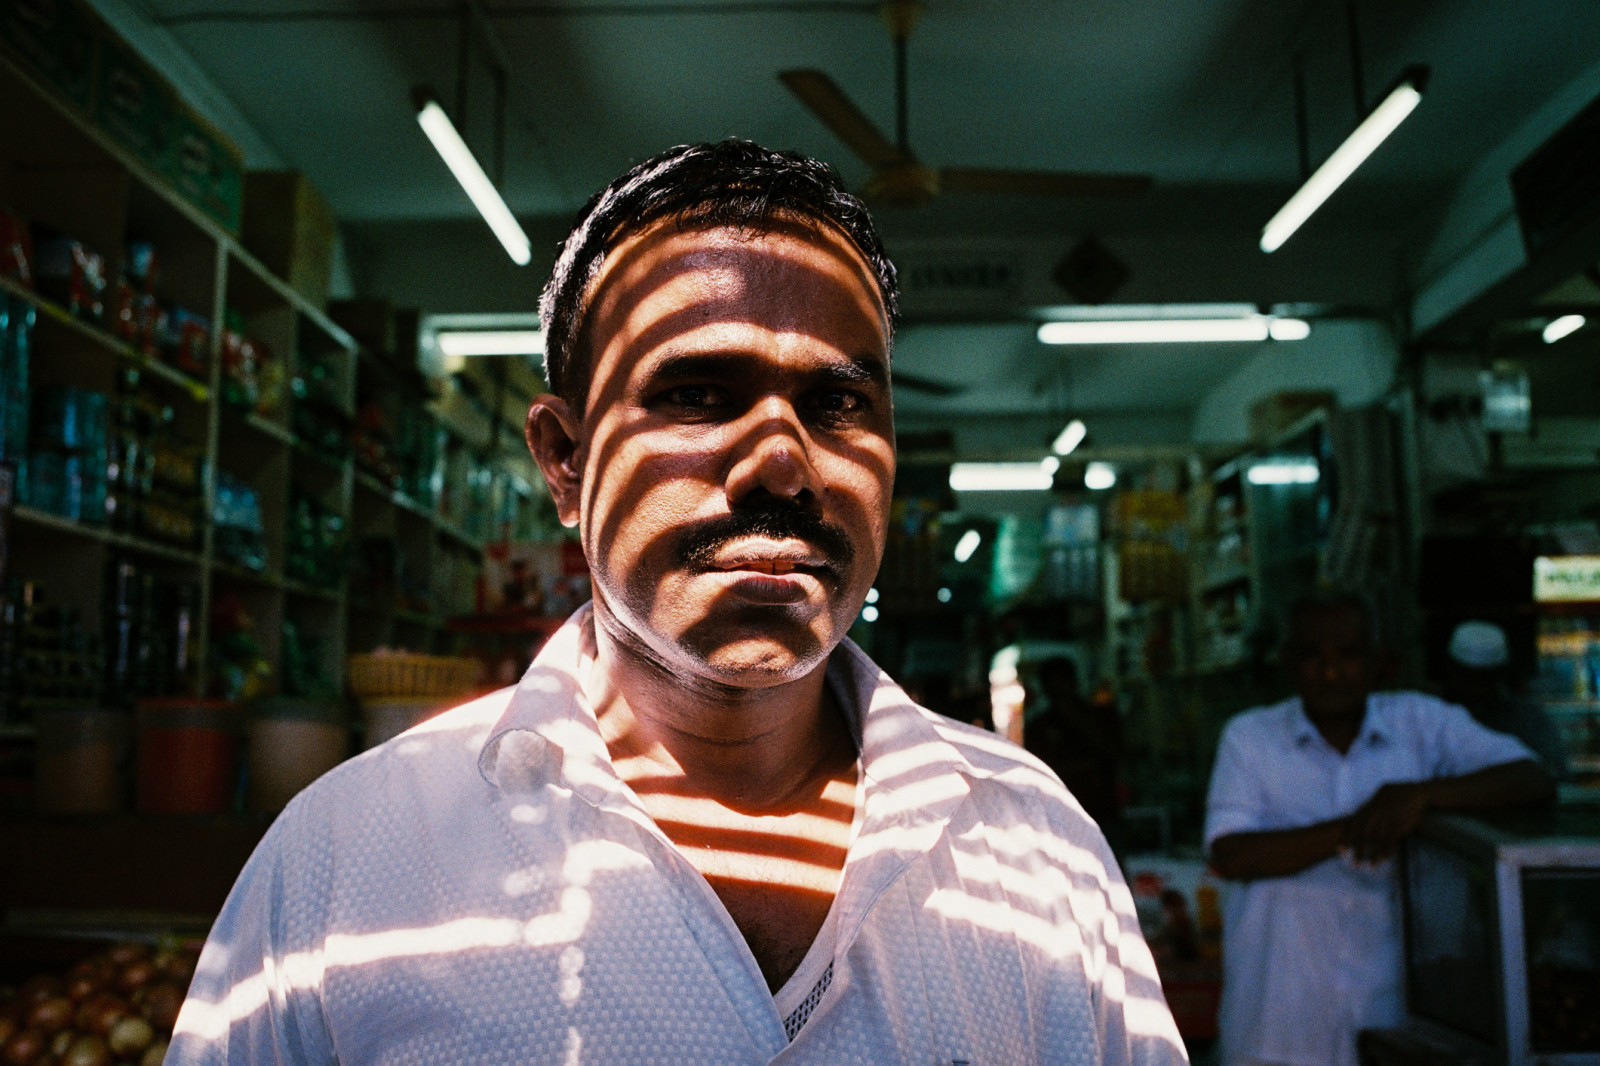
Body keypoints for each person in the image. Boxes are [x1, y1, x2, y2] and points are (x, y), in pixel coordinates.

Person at [169, 141, 1186, 1066]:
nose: (786, 463)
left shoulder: (1032, 846)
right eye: (698, 392)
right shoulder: (354, 858)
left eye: (839, 402)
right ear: (564, 462)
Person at [1204, 591, 1554, 1066]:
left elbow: (1532, 778)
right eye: (1313, 656)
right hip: (1279, 1025)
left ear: (1379, 662)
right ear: (1288, 663)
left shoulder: (1422, 723)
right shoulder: (1251, 738)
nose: (1331, 672)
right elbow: (1234, 856)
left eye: (1348, 655)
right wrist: (1362, 824)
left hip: (1395, 1022)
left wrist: (1421, 797)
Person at [1441, 619, 1569, 778]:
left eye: (1484, 678)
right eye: (1467, 677)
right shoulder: (1426, 717)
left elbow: (1552, 775)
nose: (1474, 688)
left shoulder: (1528, 720)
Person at [1025, 656, 1125, 850]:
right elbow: (1039, 771)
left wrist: (1077, 719)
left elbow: (1115, 751)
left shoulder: (1100, 717)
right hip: (1060, 816)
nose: (1060, 690)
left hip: (1101, 812)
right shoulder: (1040, 727)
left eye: (1064, 683)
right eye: (1054, 685)